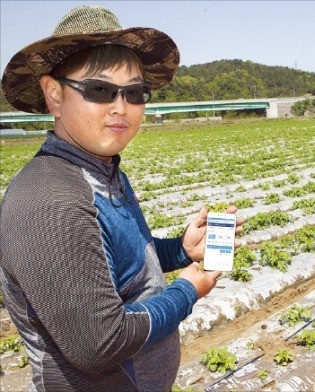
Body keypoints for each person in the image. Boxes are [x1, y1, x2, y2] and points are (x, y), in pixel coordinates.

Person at [0, 5, 242, 391]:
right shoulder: (47, 201)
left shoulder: (103, 172)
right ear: (54, 96)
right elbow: (100, 343)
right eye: (99, 89)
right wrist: (186, 290)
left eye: (135, 93)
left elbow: (118, 263)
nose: (120, 107)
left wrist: (182, 250)